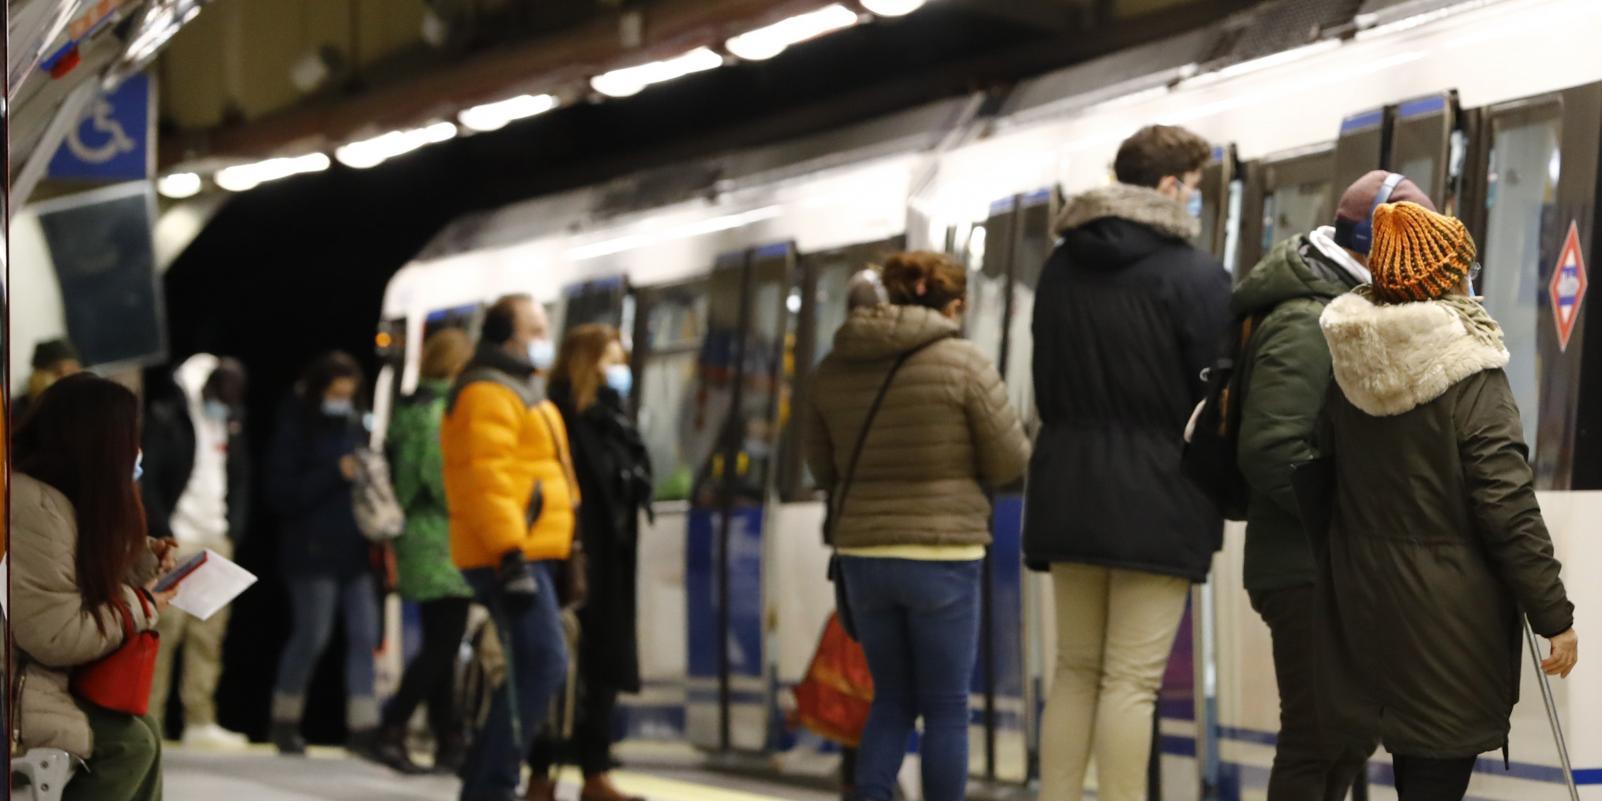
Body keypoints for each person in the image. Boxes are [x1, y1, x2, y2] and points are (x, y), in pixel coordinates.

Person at [1316, 201, 1577, 801]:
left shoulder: (1350, 369)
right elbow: (1507, 506)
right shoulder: (1470, 374)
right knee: (1434, 780)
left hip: (1368, 607)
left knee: (1415, 773)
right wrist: (1554, 616)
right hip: (1448, 622)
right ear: (1451, 277)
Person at [1024, 124, 1231, 801]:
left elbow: (1044, 383)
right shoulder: (1195, 276)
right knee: (1131, 681)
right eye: (1192, 187)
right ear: (1169, 186)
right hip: (1158, 496)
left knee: (1075, 669)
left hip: (1066, 487)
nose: (1193, 199)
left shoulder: (1059, 268)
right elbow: (1216, 394)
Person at [1231, 171, 1434, 800]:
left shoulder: (1341, 305)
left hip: (1328, 564)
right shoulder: (1306, 319)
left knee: (1345, 736)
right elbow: (1271, 447)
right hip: (1303, 568)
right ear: (1375, 246)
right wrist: (1355, 517)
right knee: (1317, 739)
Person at [805, 252, 1030, 801]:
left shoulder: (834, 366)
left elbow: (822, 467)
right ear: (952, 306)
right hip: (942, 555)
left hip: (864, 555)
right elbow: (1010, 461)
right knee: (946, 706)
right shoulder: (964, 362)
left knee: (891, 700)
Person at [11, 374, 179, 801]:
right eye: (130, 439)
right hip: (20, 685)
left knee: (143, 733)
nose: (136, 453)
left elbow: (71, 579)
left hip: (40, 678)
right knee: (129, 745)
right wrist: (141, 605)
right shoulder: (31, 507)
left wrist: (143, 563)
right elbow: (57, 636)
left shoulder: (56, 500)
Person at [442, 294, 578, 801]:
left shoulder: (519, 386)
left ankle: (485, 784)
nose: (545, 340)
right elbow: (487, 480)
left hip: (529, 551)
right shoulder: (487, 391)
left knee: (534, 664)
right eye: (536, 330)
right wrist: (510, 553)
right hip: (511, 555)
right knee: (542, 663)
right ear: (508, 336)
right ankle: (495, 786)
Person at [525, 324, 654, 801]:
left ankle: (594, 773)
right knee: (563, 668)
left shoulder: (614, 421)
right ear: (587, 362)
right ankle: (542, 772)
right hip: (572, 558)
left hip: (612, 562)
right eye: (611, 359)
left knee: (602, 668)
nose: (619, 370)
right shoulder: (557, 413)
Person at [265, 351, 388, 764]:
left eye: (348, 394)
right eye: (336, 393)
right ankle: (284, 721)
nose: (342, 400)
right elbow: (282, 493)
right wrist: (335, 472)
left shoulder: (357, 426)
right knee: (312, 636)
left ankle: (364, 729)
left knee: (365, 636)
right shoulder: (296, 425)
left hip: (356, 552)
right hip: (310, 553)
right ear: (320, 390)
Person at [372, 329, 477, 774]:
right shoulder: (439, 413)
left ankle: (448, 738)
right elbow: (441, 479)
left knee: (442, 644)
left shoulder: (413, 408)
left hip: (421, 538)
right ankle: (392, 727)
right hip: (440, 540)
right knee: (443, 644)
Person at [142, 353, 253, 749]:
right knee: (164, 631)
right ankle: (149, 719)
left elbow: (239, 477)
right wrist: (163, 532)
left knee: (209, 634)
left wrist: (232, 529)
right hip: (179, 538)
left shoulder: (229, 417)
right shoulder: (168, 415)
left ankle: (200, 720)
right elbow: (148, 478)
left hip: (215, 538)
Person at [14, 337, 83, 422]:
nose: (67, 378)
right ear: (37, 377)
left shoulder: (88, 405)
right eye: (57, 372)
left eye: (72, 370)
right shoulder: (14, 413)